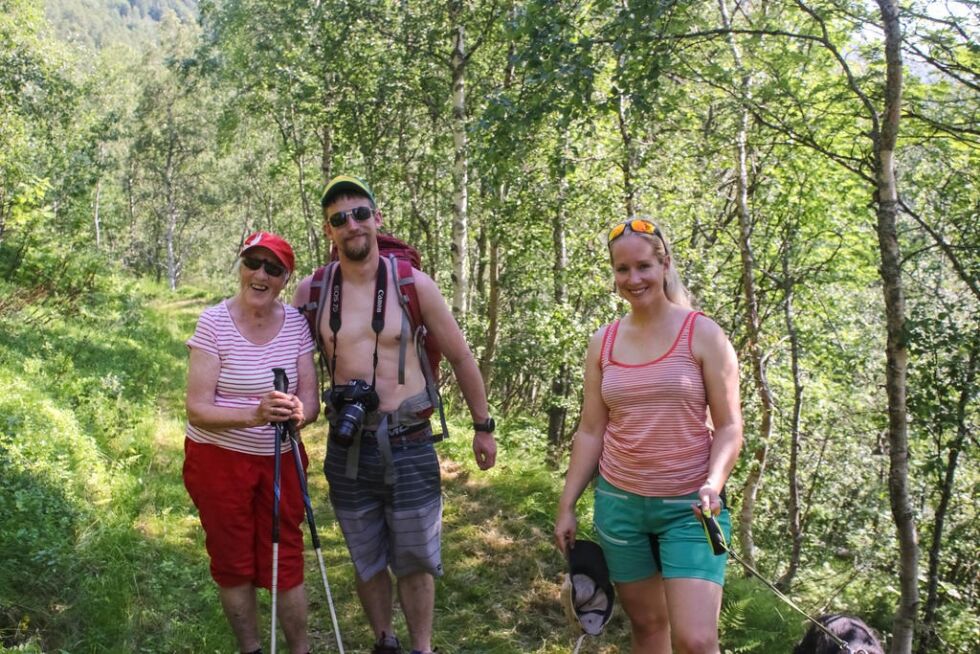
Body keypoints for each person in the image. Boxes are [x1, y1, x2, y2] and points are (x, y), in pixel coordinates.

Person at [293, 175, 497, 654]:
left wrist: (483, 427)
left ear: (377, 219)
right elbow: (281, 349)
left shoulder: (412, 284)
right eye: (339, 219)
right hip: (349, 444)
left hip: (409, 438)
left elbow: (462, 357)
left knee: (415, 556)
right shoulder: (313, 291)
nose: (352, 225)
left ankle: (421, 646)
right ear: (328, 231)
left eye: (361, 213)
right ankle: (384, 640)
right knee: (366, 555)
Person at [554, 218, 743, 654]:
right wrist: (567, 505)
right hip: (620, 507)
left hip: (691, 509)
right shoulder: (603, 342)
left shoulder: (703, 334)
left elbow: (731, 426)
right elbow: (590, 430)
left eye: (643, 266)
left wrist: (714, 483)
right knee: (648, 626)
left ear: (665, 264)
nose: (633, 279)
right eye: (622, 270)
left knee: (696, 640)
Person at [184, 232, 318, 654]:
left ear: (284, 278)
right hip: (218, 460)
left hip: (279, 459)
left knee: (286, 557)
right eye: (253, 263)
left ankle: (299, 650)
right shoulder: (213, 322)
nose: (260, 274)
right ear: (241, 267)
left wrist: (299, 413)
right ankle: (253, 649)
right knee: (233, 561)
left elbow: (311, 400)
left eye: (273, 268)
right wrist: (255, 415)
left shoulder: (296, 323)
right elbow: (197, 408)